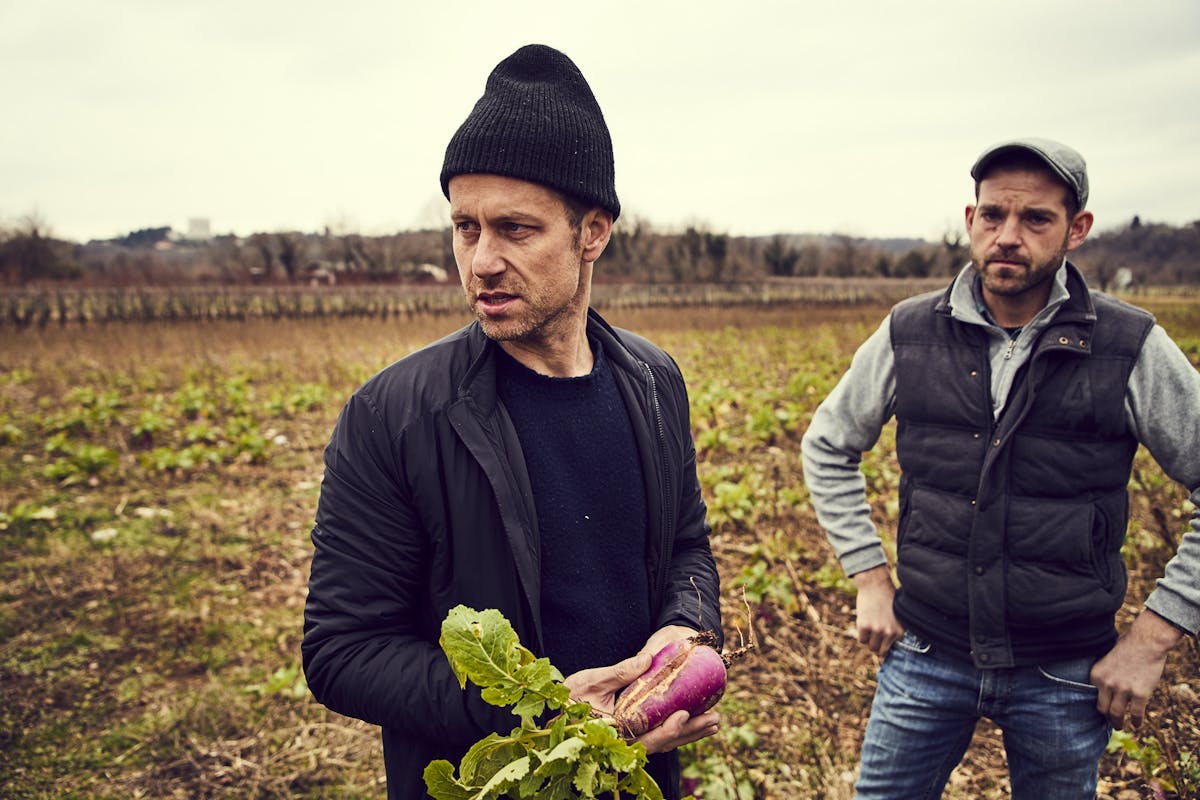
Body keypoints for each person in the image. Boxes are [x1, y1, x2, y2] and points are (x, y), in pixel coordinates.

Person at [302, 44, 723, 800]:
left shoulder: (654, 381)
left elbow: (686, 544)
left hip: (637, 777)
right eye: (466, 228)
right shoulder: (393, 416)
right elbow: (343, 650)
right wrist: (542, 710)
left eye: (516, 230)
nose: (482, 261)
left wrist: (685, 629)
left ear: (592, 232)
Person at [801, 137, 1200, 799]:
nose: (1008, 236)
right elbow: (827, 443)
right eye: (993, 216)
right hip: (926, 650)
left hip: (1066, 669)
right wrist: (869, 576)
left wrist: (1153, 639)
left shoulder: (1128, 345)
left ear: (1077, 230)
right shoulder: (910, 331)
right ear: (970, 220)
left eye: (1035, 219)